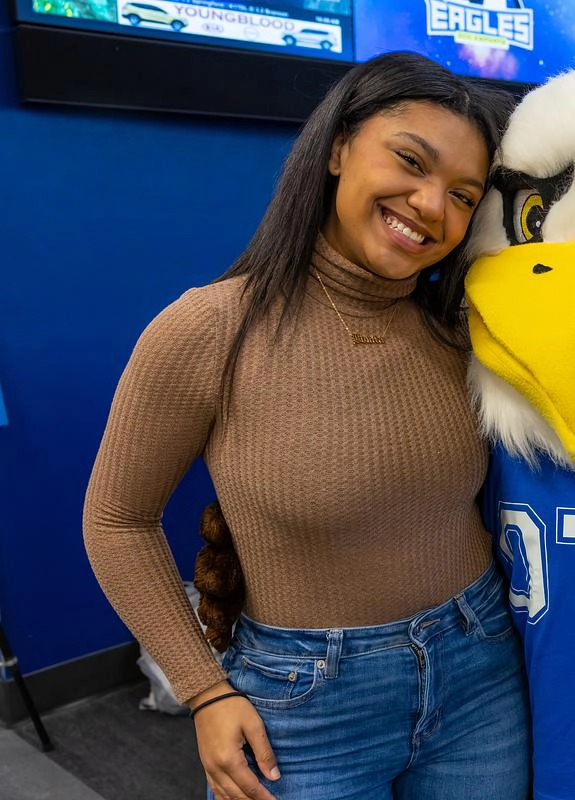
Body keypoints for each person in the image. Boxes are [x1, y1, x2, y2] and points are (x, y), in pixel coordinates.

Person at [82, 52, 527, 800]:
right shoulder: (209, 327)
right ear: (338, 147)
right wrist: (204, 691)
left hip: (480, 668)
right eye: (410, 161)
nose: (429, 205)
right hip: (304, 703)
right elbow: (116, 520)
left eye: (462, 193)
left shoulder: (462, 333)